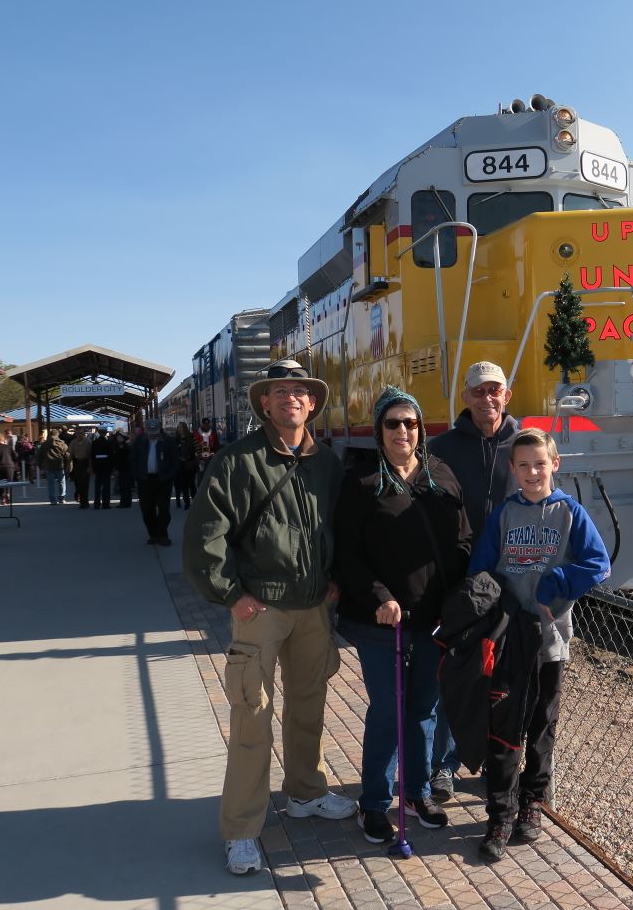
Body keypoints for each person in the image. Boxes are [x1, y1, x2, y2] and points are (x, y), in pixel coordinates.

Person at [181, 359, 351, 877]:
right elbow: (204, 536)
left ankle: (305, 792)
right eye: (281, 391)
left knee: (309, 706)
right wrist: (230, 593)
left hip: (313, 606)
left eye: (300, 392)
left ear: (312, 403)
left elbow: (341, 527)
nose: (291, 399)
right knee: (252, 719)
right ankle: (241, 830)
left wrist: (336, 578)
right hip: (262, 608)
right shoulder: (237, 461)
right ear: (265, 402)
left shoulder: (327, 463)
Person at [335, 387, 472, 845]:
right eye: (392, 423)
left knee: (422, 710)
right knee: (388, 710)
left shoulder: (440, 475)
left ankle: (416, 791)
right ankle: (374, 801)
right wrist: (379, 595)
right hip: (381, 622)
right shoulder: (361, 483)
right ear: (379, 429)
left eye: (410, 423)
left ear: (420, 429)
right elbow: (347, 554)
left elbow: (463, 541)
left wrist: (461, 596)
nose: (402, 431)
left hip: (433, 620)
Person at [468, 428, 610, 862]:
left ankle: (533, 800)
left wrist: (557, 582)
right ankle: (500, 811)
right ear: (513, 469)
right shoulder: (504, 515)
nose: (532, 472)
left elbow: (598, 563)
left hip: (550, 640)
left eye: (540, 464)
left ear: (555, 465)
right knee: (505, 725)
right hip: (510, 638)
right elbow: (481, 568)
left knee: (543, 723)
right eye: (524, 465)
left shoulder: (570, 513)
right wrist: (493, 601)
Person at [425, 360, 520, 802]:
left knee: (503, 680)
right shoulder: (441, 448)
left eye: (494, 390)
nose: (487, 398)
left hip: (512, 583)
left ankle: (493, 764)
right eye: (478, 391)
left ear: (507, 394)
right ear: (465, 398)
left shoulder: (525, 444)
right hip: (461, 584)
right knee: (456, 675)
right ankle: (442, 766)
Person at [132, 419, 178, 545]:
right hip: (145, 480)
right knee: (147, 509)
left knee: (164, 509)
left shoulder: (168, 441)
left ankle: (163, 535)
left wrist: (171, 475)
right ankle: (153, 534)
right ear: (146, 430)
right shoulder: (139, 442)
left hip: (163, 480)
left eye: (155, 432)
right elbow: (133, 459)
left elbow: (175, 461)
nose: (153, 434)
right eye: (150, 432)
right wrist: (137, 476)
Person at [37, 429, 71, 505]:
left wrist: (39, 465)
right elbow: (67, 456)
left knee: (50, 484)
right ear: (57, 435)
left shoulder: (44, 444)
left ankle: (53, 500)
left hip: (49, 466)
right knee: (62, 482)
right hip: (60, 465)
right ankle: (62, 498)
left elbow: (39, 455)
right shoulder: (62, 444)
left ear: (49, 435)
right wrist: (69, 466)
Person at [173, 422, 199, 508]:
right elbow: (173, 452)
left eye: (181, 427)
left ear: (185, 428)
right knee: (184, 485)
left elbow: (197, 449)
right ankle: (187, 503)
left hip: (191, 463)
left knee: (191, 483)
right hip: (180, 465)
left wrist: (197, 460)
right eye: (179, 427)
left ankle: (195, 501)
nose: (180, 429)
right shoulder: (176, 439)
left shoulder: (191, 437)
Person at [90, 426, 116, 509]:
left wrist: (93, 467)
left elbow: (92, 456)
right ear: (105, 432)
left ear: (99, 432)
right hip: (106, 467)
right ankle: (106, 504)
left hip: (97, 467)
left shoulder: (94, 442)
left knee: (97, 486)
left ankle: (96, 504)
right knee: (106, 486)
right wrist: (112, 468)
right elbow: (111, 456)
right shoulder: (108, 443)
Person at [68, 427, 93, 509]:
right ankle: (79, 496)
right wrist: (68, 465)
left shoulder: (88, 442)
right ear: (75, 434)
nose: (80, 435)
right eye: (78, 433)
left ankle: (84, 503)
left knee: (85, 483)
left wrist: (90, 466)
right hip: (77, 463)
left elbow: (90, 456)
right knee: (78, 483)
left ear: (84, 433)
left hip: (86, 463)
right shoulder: (73, 442)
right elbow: (70, 455)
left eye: (81, 433)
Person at [113, 430, 134, 508]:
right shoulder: (120, 445)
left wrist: (117, 469)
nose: (118, 438)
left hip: (124, 468)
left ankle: (125, 502)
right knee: (123, 486)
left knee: (124, 486)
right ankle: (125, 502)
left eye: (119, 437)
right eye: (117, 437)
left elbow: (121, 458)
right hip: (124, 468)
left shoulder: (124, 446)